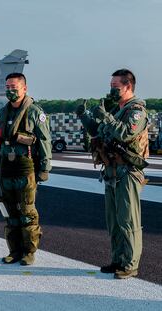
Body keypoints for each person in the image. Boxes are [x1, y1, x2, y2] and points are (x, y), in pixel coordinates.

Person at [76, 69, 148, 279]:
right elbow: (99, 132)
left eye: (115, 87)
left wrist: (105, 117)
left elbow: (125, 133)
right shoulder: (118, 111)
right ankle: (118, 259)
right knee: (114, 221)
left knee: (128, 220)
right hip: (112, 172)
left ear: (128, 86)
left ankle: (130, 264)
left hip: (127, 173)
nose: (111, 91)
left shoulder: (137, 111)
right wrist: (85, 116)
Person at [0, 73, 52, 266]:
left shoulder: (35, 112)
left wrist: (45, 168)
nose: (10, 90)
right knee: (10, 213)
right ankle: (14, 250)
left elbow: (44, 141)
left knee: (27, 211)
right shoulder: (3, 113)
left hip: (26, 168)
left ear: (24, 88)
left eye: (14, 87)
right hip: (6, 168)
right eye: (8, 87)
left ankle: (29, 251)